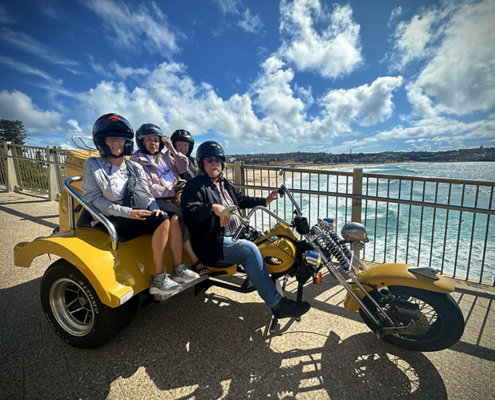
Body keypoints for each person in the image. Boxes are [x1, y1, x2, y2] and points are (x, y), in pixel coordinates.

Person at [181, 140, 311, 319]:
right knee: (248, 250)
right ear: (202, 162)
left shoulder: (223, 183)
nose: (214, 163)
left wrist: (265, 200)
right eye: (209, 160)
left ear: (222, 163)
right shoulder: (195, 186)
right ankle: (276, 304)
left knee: (277, 236)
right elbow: (189, 213)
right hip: (213, 243)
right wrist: (212, 208)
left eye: (218, 160)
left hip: (238, 234)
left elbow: (241, 199)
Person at [81, 113, 196, 296]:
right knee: (166, 218)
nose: (117, 143)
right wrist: (128, 212)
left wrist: (154, 208)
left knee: (168, 217)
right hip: (109, 217)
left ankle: (176, 270)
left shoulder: (133, 166)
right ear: (103, 142)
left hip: (133, 213)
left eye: (120, 139)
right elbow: (93, 199)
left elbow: (146, 193)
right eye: (112, 139)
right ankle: (159, 278)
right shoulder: (93, 164)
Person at [130, 123, 208, 275]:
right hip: (156, 199)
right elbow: (147, 187)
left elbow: (182, 167)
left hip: (176, 194)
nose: (153, 143)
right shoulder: (136, 160)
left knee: (199, 208)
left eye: (156, 140)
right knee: (180, 215)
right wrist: (172, 189)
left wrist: (171, 149)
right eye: (149, 140)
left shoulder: (163, 156)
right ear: (141, 142)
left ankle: (205, 248)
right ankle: (193, 258)